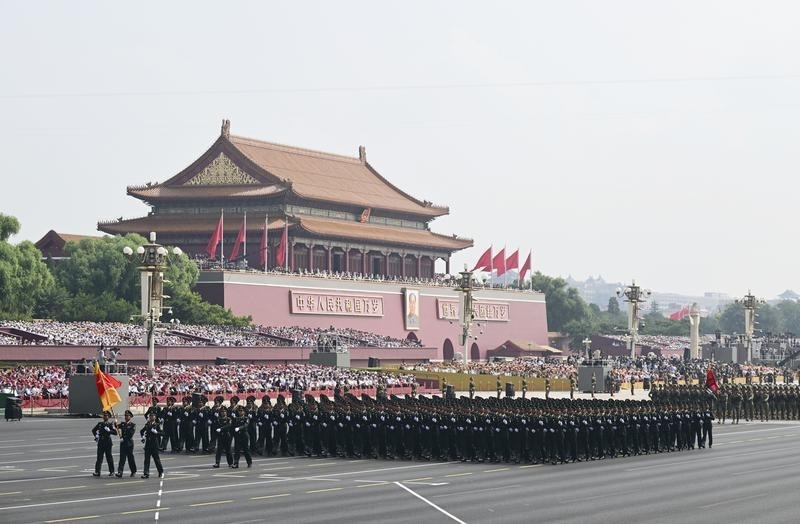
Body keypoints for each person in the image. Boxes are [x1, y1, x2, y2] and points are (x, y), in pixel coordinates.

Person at [140, 411, 164, 479]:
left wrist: (157, 432)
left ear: (155, 417)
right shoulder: (147, 424)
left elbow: (163, 433)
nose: (151, 417)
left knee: (156, 459)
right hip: (148, 444)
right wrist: (143, 437)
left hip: (154, 444)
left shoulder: (157, 425)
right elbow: (142, 431)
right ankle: (146, 473)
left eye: (152, 416)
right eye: (150, 416)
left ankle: (161, 472)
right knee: (146, 460)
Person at [91, 411, 116, 477]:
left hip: (108, 442)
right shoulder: (100, 424)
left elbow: (115, 433)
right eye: (104, 415)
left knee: (109, 458)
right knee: (99, 458)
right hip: (101, 442)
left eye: (106, 415)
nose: (104, 417)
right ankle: (97, 472)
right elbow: (93, 430)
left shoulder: (110, 424)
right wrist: (96, 436)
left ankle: (112, 471)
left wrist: (109, 431)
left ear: (109, 417)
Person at [115, 410, 137, 478]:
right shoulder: (123, 424)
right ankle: (120, 472)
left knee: (130, 458)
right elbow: (117, 427)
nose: (126, 417)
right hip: (123, 443)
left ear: (130, 417)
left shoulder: (133, 425)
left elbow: (131, 434)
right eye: (125, 416)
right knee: (122, 458)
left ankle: (133, 471)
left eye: (127, 416)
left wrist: (122, 437)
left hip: (129, 443)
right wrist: (115, 423)